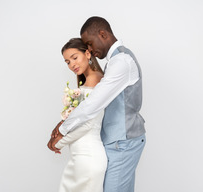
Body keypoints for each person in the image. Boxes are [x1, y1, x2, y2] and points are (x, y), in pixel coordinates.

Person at [48, 16, 146, 192]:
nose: (90, 50)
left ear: (103, 34)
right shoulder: (114, 63)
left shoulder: (122, 61)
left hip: (123, 142)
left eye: (90, 44)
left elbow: (92, 105)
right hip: (113, 142)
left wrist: (62, 130)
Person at [50, 38, 107, 192]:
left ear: (88, 54)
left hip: (88, 158)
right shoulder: (88, 81)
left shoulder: (95, 81)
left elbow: (87, 124)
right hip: (79, 158)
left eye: (75, 58)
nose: (72, 64)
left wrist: (58, 143)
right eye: (67, 62)